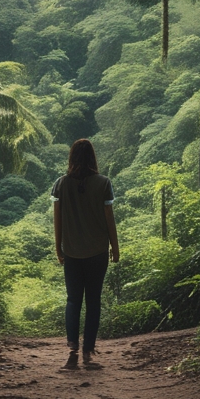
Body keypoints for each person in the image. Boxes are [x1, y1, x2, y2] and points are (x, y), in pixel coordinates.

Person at [51, 138, 119, 369]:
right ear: (93, 157)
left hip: (71, 251)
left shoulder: (60, 184)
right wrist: (115, 248)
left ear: (71, 158)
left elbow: (57, 219)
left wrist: (58, 247)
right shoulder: (104, 183)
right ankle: (88, 351)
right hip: (98, 251)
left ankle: (72, 349)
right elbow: (109, 219)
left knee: (73, 300)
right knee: (93, 301)